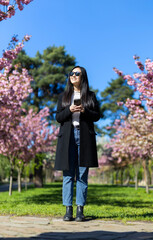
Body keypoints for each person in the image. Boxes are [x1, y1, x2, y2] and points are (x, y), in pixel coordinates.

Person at [54, 66, 100, 221]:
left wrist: (84, 111)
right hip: (67, 137)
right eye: (71, 73)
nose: (73, 75)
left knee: (81, 174)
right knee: (67, 174)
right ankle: (68, 210)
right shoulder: (64, 96)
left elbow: (97, 116)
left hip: (85, 136)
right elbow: (58, 117)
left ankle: (80, 210)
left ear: (83, 76)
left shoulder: (90, 96)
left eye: (77, 73)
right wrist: (70, 110)